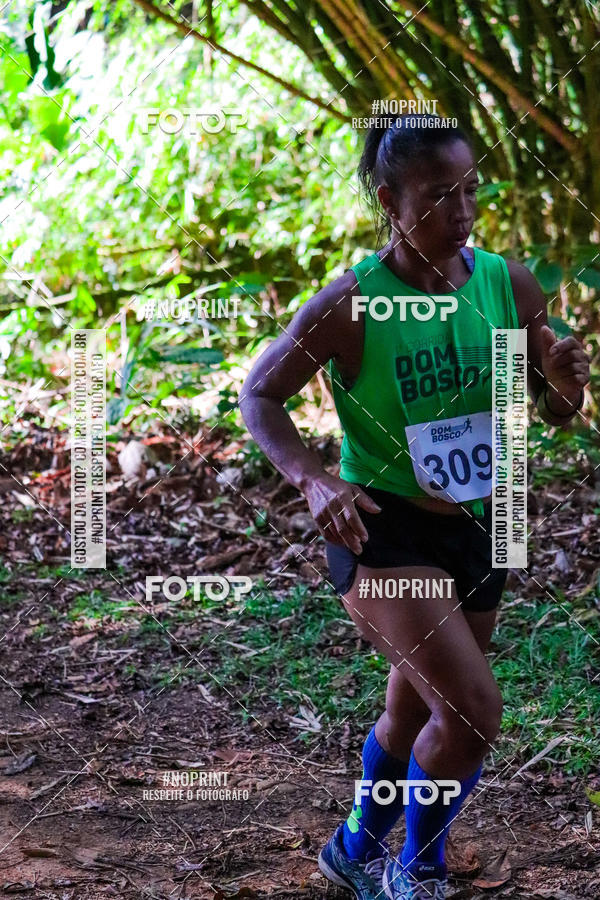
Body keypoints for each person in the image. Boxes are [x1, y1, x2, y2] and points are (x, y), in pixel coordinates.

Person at [238, 114, 590, 900]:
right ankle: (417, 872)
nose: (461, 212)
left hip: (481, 527)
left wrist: (566, 382)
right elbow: (259, 395)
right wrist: (314, 480)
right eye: (439, 196)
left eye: (469, 191)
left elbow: (555, 404)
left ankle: (353, 850)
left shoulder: (507, 282)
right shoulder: (353, 303)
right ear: (392, 200)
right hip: (384, 531)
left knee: (412, 713)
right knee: (470, 714)